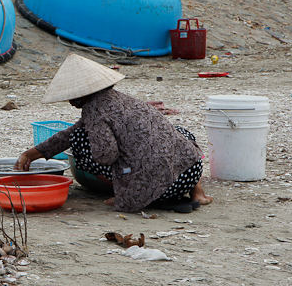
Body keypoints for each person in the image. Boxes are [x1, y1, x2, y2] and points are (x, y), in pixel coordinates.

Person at [14, 54, 213, 213]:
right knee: (179, 132)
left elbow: (106, 155)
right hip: (189, 172)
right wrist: (30, 154)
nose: (70, 102)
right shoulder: (119, 99)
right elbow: (67, 134)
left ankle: (127, 194)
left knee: (80, 142)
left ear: (83, 94)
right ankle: (197, 192)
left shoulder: (94, 111)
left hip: (161, 188)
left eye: (72, 97)